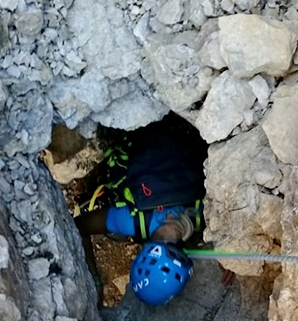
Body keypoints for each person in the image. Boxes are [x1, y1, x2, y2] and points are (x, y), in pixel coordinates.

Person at [74, 113, 233, 304]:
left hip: (177, 131)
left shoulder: (198, 215)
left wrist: (227, 253)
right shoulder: (130, 221)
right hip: (154, 129)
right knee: (117, 232)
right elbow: (77, 226)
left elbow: (76, 227)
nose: (172, 230)